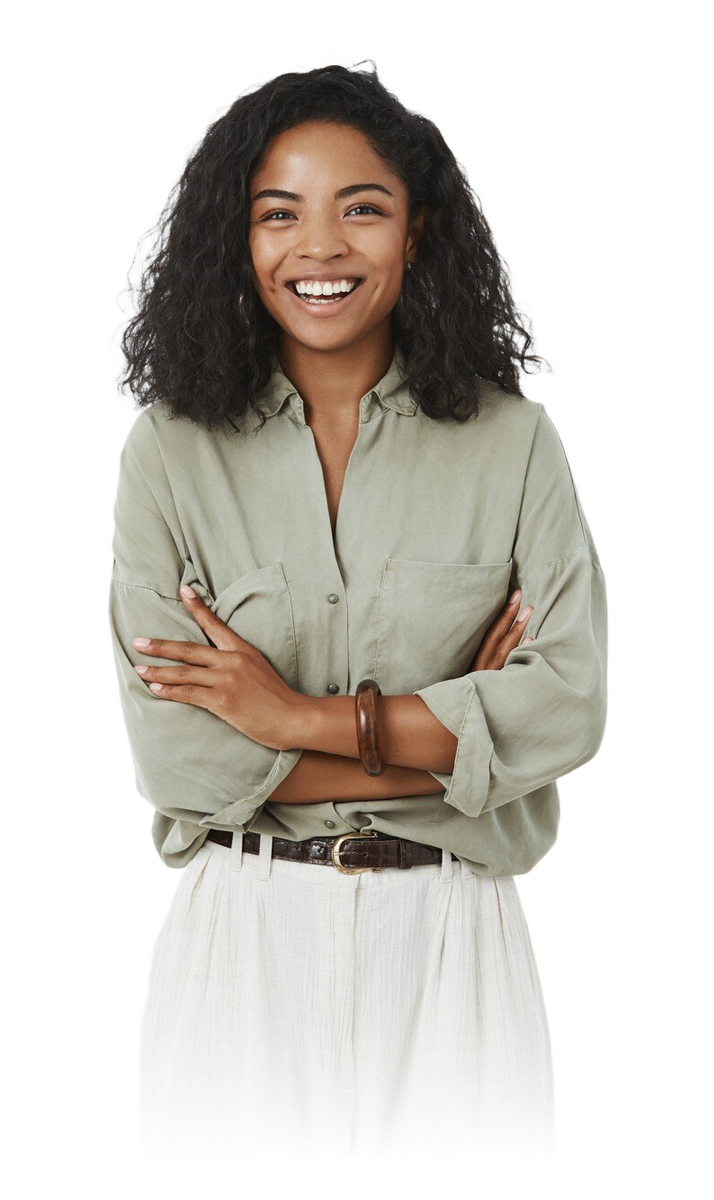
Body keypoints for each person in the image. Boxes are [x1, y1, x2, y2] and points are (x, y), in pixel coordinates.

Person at [108, 59, 608, 1159]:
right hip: (244, 942)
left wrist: (290, 719)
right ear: (237, 242)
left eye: (362, 209)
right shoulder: (169, 456)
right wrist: (464, 735)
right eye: (279, 213)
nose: (320, 249)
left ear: (417, 231)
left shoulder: (513, 444)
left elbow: (567, 709)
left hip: (454, 940)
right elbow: (180, 761)